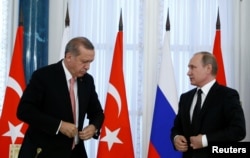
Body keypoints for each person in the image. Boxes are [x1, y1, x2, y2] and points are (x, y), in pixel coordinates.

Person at [17, 37, 105, 158]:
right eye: (84, 61)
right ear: (69, 57)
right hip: (45, 151)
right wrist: (59, 125)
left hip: (76, 152)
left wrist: (93, 127)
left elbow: (97, 112)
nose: (88, 67)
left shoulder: (87, 81)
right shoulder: (44, 76)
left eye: (90, 62)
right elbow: (25, 111)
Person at [170, 51, 246, 158]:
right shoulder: (185, 98)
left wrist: (205, 140)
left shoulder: (227, 95)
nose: (188, 73)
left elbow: (238, 130)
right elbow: (177, 127)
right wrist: (176, 137)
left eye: (193, 67)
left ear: (208, 69)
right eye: (189, 68)